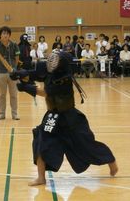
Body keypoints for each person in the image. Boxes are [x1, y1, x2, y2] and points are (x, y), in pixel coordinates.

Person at [10, 51, 118, 186]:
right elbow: (36, 74)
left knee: (86, 146)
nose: (51, 62)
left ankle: (111, 161)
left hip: (70, 118)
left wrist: (27, 88)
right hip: (52, 116)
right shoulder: (50, 71)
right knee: (40, 141)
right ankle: (41, 178)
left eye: (55, 60)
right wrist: (21, 73)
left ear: (61, 65)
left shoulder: (64, 79)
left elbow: (47, 93)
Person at [0, 26, 20, 120]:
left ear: (9, 35)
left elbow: (17, 57)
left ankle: (14, 114)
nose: (5, 35)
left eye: (7, 33)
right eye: (3, 33)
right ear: (0, 35)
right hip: (0, 73)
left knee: (13, 94)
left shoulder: (14, 45)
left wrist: (14, 68)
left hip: (12, 73)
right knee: (2, 95)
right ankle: (2, 114)